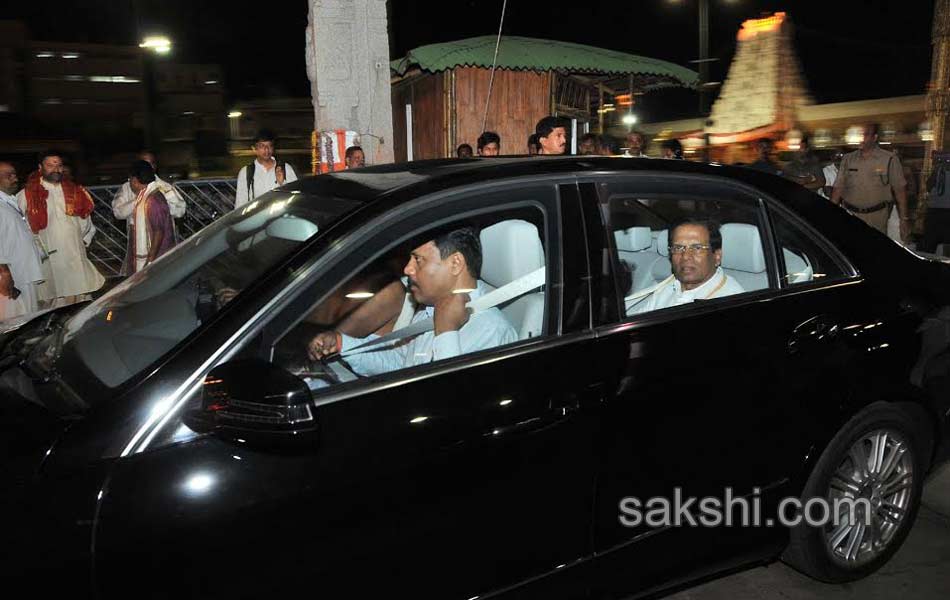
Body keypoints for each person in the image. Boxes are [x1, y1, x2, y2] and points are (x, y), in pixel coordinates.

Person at [307, 226, 517, 376]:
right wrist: (342, 343)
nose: (407, 269)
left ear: (455, 263)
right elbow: (400, 364)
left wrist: (446, 333)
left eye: (418, 259)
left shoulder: (492, 331)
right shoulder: (428, 311)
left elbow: (455, 404)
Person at [17, 150, 104, 307]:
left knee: (80, 299)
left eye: (59, 165)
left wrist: (84, 241)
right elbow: (21, 226)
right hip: (49, 257)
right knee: (54, 301)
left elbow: (87, 222)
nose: (55, 169)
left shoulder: (76, 191)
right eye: (50, 165)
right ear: (40, 167)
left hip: (75, 253)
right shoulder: (28, 195)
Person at [631, 218, 744, 314]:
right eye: (678, 248)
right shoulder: (670, 286)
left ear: (717, 256)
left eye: (697, 248)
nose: (685, 256)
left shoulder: (731, 301)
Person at [831, 123, 909, 238]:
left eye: (866, 135)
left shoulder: (889, 159)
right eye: (859, 135)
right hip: (850, 214)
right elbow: (838, 188)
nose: (861, 138)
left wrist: (904, 219)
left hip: (876, 217)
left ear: (875, 137)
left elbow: (900, 190)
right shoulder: (848, 159)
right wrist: (830, 213)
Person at [0, 162, 44, 321]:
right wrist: (4, 273)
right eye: (8, 176)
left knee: (28, 317)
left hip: (23, 272)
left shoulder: (9, 201)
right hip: (12, 275)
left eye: (14, 174)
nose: (15, 178)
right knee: (13, 321)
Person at [122, 160, 176, 274]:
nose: (130, 183)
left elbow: (158, 232)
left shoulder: (152, 200)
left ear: (135, 180)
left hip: (158, 258)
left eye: (130, 180)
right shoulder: (147, 196)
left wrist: (150, 261)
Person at [235, 130, 298, 208]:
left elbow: (295, 199)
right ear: (254, 149)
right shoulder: (246, 172)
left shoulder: (285, 169)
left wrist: (282, 183)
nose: (266, 150)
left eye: (269, 146)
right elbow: (240, 204)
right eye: (262, 146)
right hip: (256, 218)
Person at [918, 152, 950, 254]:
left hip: (945, 211)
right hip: (934, 211)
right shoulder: (936, 172)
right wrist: (936, 172)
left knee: (946, 245)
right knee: (930, 243)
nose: (945, 163)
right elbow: (928, 187)